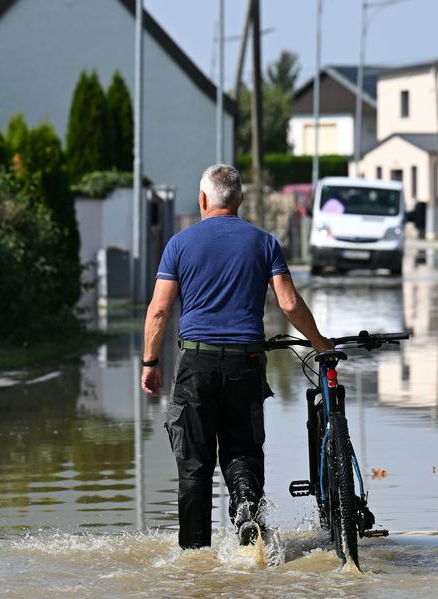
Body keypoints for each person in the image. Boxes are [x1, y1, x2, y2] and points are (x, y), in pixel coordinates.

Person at [140, 164, 332, 550]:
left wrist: (150, 361)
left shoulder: (179, 244)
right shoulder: (264, 242)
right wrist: (319, 343)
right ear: (240, 199)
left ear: (202, 199)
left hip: (196, 364)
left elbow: (160, 310)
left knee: (194, 465)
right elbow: (289, 303)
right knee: (242, 450)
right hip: (246, 363)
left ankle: (194, 557)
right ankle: (246, 511)